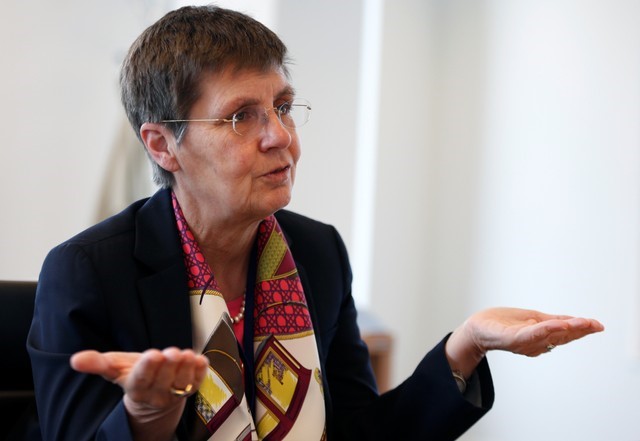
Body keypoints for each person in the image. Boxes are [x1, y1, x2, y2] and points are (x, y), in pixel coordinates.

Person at [27, 5, 604, 441]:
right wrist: (145, 417)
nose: (280, 135)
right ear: (162, 146)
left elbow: (363, 431)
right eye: (240, 116)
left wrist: (465, 346)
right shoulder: (87, 271)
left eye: (281, 106)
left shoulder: (316, 250)